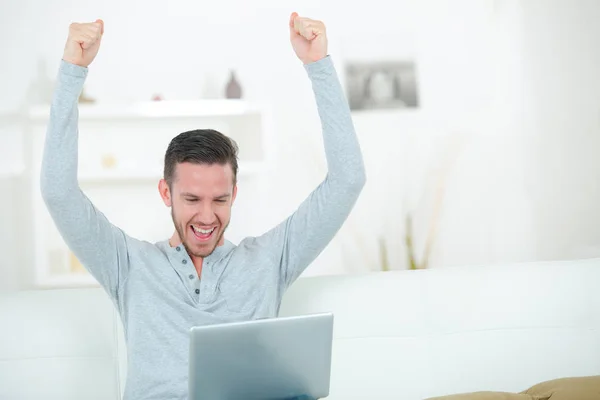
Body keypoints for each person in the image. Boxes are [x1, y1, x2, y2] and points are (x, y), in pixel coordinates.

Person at [40, 12, 366, 400]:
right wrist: (73, 72)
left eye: (220, 199)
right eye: (192, 199)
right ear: (166, 193)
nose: (208, 217)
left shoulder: (266, 260)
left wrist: (319, 66)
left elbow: (348, 180)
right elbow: (58, 191)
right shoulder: (128, 264)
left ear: (234, 194)